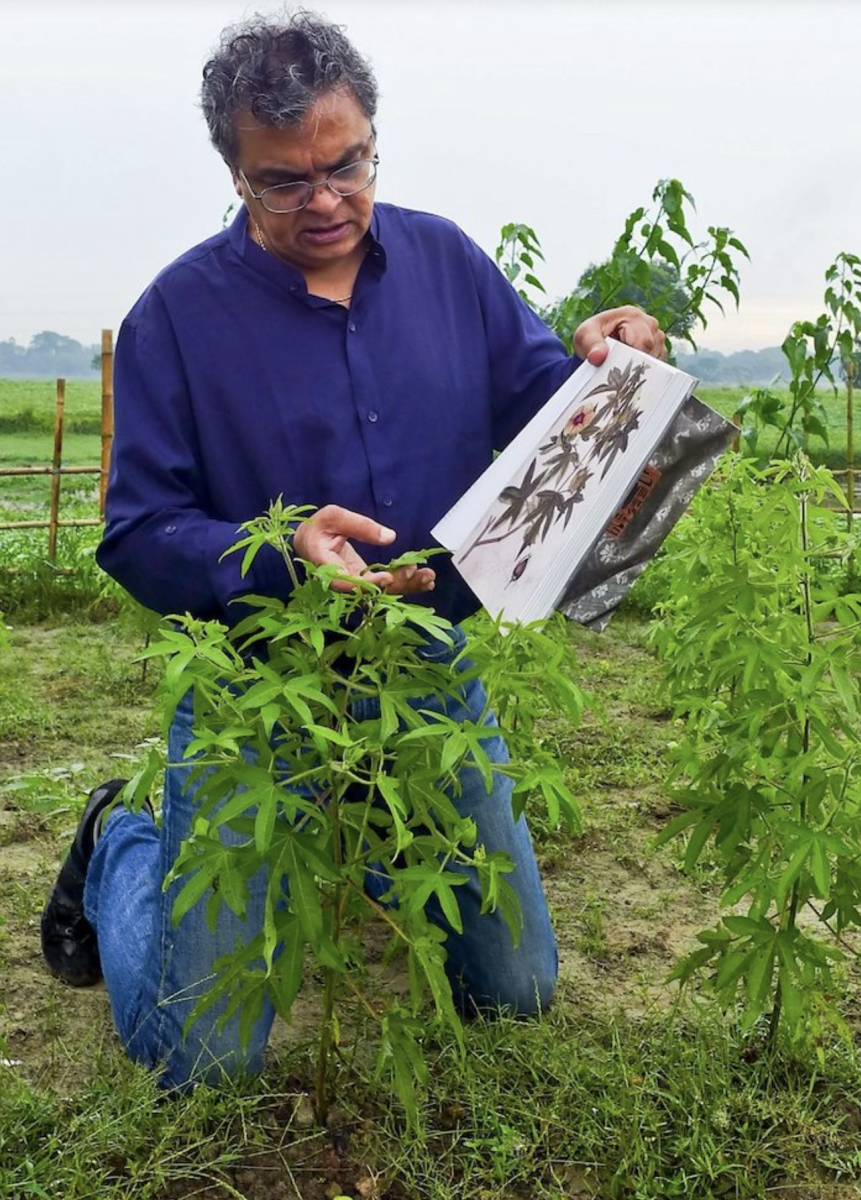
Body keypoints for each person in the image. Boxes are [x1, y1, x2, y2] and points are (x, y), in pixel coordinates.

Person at [41, 11, 665, 1088]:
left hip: (424, 673)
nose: (326, 200)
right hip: (254, 689)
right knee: (203, 1054)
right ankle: (121, 853)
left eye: (347, 165)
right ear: (235, 173)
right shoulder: (174, 320)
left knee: (515, 994)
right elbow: (136, 533)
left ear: (372, 137)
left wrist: (620, 366)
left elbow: (549, 417)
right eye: (285, 182)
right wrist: (281, 551)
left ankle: (377, 848)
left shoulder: (448, 264)